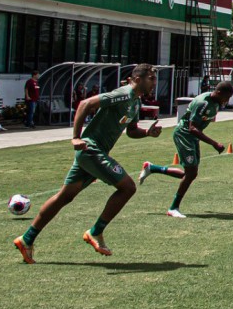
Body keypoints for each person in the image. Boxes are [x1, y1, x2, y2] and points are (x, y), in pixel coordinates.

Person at [13, 63, 163, 264]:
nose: (154, 82)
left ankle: (27, 239)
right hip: (91, 149)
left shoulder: (135, 102)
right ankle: (96, 232)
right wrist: (75, 137)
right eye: (151, 78)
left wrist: (147, 133)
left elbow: (132, 130)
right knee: (127, 187)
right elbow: (85, 104)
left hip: (93, 154)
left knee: (64, 197)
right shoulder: (124, 94)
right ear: (137, 79)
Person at [139, 80, 233, 218]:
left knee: (190, 173)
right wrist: (214, 143)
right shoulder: (203, 102)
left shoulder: (216, 102)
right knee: (191, 173)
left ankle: (152, 168)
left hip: (193, 137)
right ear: (219, 92)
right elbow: (192, 128)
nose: (227, 100)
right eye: (227, 97)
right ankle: (173, 208)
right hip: (184, 134)